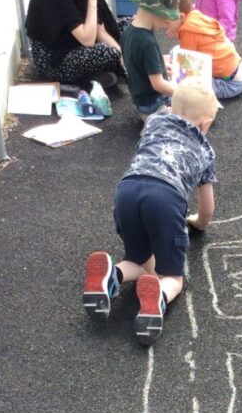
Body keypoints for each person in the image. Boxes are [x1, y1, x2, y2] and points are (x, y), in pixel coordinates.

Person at [82, 79, 218, 345]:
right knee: (172, 277)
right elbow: (207, 209)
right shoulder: (204, 149)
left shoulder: (155, 121)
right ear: (205, 124)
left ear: (170, 108)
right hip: (166, 198)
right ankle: (160, 296)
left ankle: (113, 275)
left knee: (142, 261)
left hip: (127, 190)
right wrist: (199, 222)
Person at [172, 0, 242, 100]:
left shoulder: (188, 31)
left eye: (166, 21)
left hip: (228, 85)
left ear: (181, 17)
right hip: (231, 65)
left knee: (188, 89)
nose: (164, 24)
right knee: (177, 55)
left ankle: (241, 76)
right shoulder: (194, 15)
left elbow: (187, 70)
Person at [25, 0, 122, 88]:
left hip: (75, 41)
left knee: (126, 27)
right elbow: (87, 40)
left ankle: (96, 76)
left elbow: (98, 27)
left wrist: (123, 57)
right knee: (107, 52)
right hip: (54, 58)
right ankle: (86, 80)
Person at [121, 0, 179, 119]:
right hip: (154, 101)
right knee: (193, 108)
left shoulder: (128, 30)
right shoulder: (148, 42)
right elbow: (158, 85)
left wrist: (161, 66)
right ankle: (158, 116)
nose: (166, 23)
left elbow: (130, 61)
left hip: (141, 100)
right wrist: (183, 93)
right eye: (166, 17)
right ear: (156, 13)